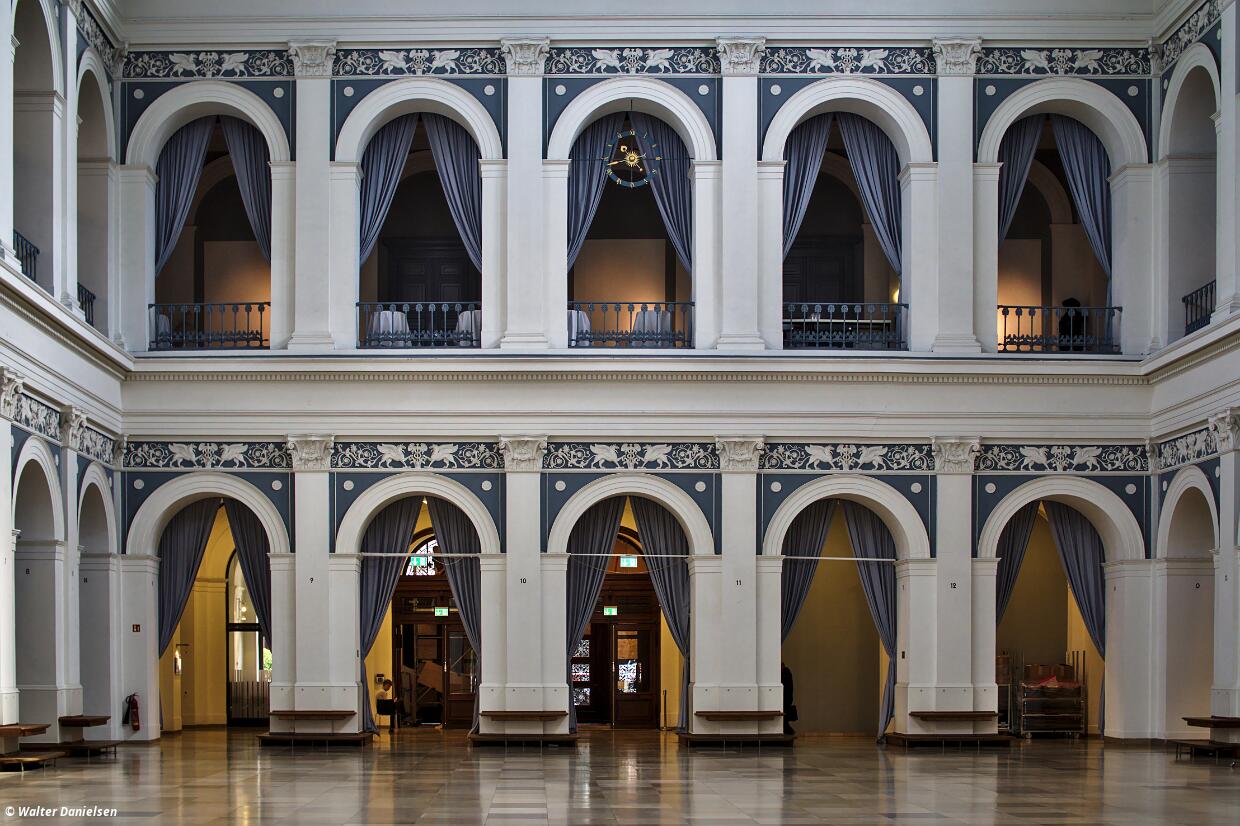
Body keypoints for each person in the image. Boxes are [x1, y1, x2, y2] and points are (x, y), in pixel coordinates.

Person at [781, 662, 797, 735]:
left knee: (784, 720)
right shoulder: (787, 673)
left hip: (785, 699)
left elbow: (786, 688)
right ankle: (790, 733)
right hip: (787, 699)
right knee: (785, 721)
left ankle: (790, 733)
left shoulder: (785, 673)